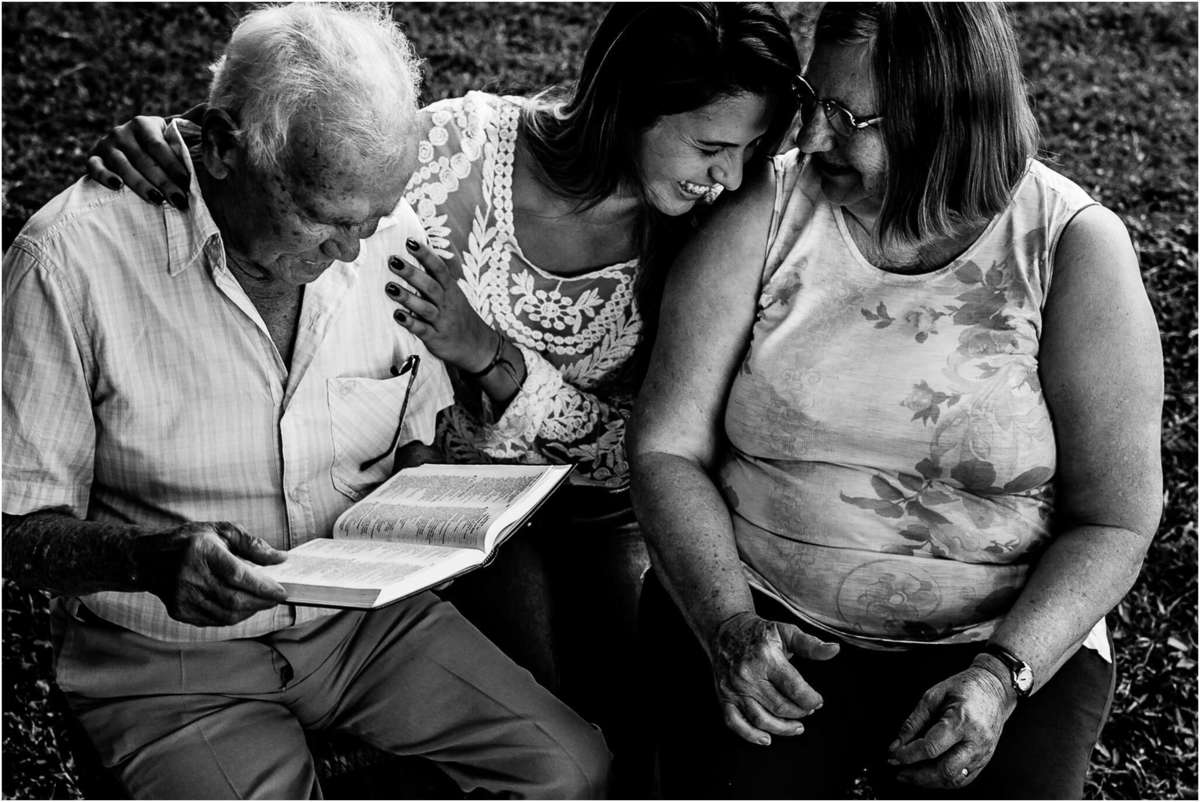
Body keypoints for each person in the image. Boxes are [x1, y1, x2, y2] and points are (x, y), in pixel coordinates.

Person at [81, 2, 807, 782]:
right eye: (711, 147)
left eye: (750, 150)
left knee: (631, 724)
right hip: (433, 501)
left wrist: (491, 356)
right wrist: (184, 135)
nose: (728, 177)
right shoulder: (461, 151)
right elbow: (306, 154)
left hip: (602, 508)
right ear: (631, 101)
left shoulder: (715, 227)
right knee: (545, 690)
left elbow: (642, 446)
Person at [3, 5, 610, 799]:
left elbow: (415, 434)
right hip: (171, 665)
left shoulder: (386, 236)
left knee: (569, 769)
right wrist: (150, 562)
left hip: (368, 627)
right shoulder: (68, 263)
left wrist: (442, 507)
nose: (351, 251)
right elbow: (14, 527)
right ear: (220, 147)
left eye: (374, 217)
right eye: (325, 218)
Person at [628, 3, 1163, 799]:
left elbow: (1115, 517)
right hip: (768, 615)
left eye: (848, 119)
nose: (810, 138)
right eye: (815, 101)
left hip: (998, 640)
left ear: (948, 117)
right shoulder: (765, 211)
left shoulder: (1070, 246)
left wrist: (1000, 678)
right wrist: (728, 625)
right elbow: (665, 446)